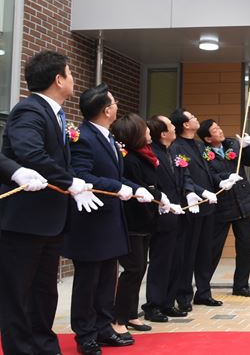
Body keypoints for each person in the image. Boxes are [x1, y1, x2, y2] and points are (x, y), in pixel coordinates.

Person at [0, 50, 98, 355]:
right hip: (24, 220)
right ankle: (22, 349)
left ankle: (44, 345)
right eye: (70, 73)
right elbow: (30, 153)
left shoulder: (56, 114)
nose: (72, 78)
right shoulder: (30, 110)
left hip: (49, 219)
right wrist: (70, 181)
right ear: (59, 79)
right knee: (18, 292)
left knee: (44, 290)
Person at [64, 84, 154, 354]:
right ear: (106, 110)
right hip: (91, 222)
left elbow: (115, 176)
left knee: (106, 278)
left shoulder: (108, 137)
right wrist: (117, 188)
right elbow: (82, 175)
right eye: (114, 102)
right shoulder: (83, 137)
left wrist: (134, 187)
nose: (117, 106)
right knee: (88, 281)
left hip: (111, 220)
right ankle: (85, 333)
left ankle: (104, 327)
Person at [111, 114, 175, 333]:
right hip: (132, 221)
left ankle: (130, 314)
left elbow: (151, 184)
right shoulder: (129, 159)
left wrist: (159, 196)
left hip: (146, 220)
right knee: (133, 268)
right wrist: (154, 193)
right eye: (145, 129)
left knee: (140, 269)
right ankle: (118, 318)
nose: (149, 132)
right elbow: (138, 186)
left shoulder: (145, 155)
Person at [169, 108, 221, 310]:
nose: (196, 118)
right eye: (192, 117)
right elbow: (184, 177)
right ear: (185, 125)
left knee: (204, 252)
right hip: (192, 206)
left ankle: (204, 292)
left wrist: (223, 181)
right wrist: (199, 192)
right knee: (188, 253)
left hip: (208, 206)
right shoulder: (177, 147)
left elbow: (210, 171)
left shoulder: (200, 146)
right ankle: (183, 296)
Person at [197, 120, 250, 297]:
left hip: (242, 203)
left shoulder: (232, 144)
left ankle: (241, 286)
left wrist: (246, 147)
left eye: (219, 127)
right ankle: (202, 290)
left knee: (245, 246)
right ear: (207, 138)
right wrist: (224, 177)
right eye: (215, 130)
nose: (220, 131)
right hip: (221, 206)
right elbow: (210, 175)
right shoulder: (204, 153)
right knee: (213, 249)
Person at [143, 115, 188, 322]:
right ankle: (154, 304)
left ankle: (168, 301)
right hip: (162, 215)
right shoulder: (153, 154)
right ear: (163, 133)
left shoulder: (173, 152)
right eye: (170, 125)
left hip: (178, 213)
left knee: (176, 260)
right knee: (161, 261)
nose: (173, 127)